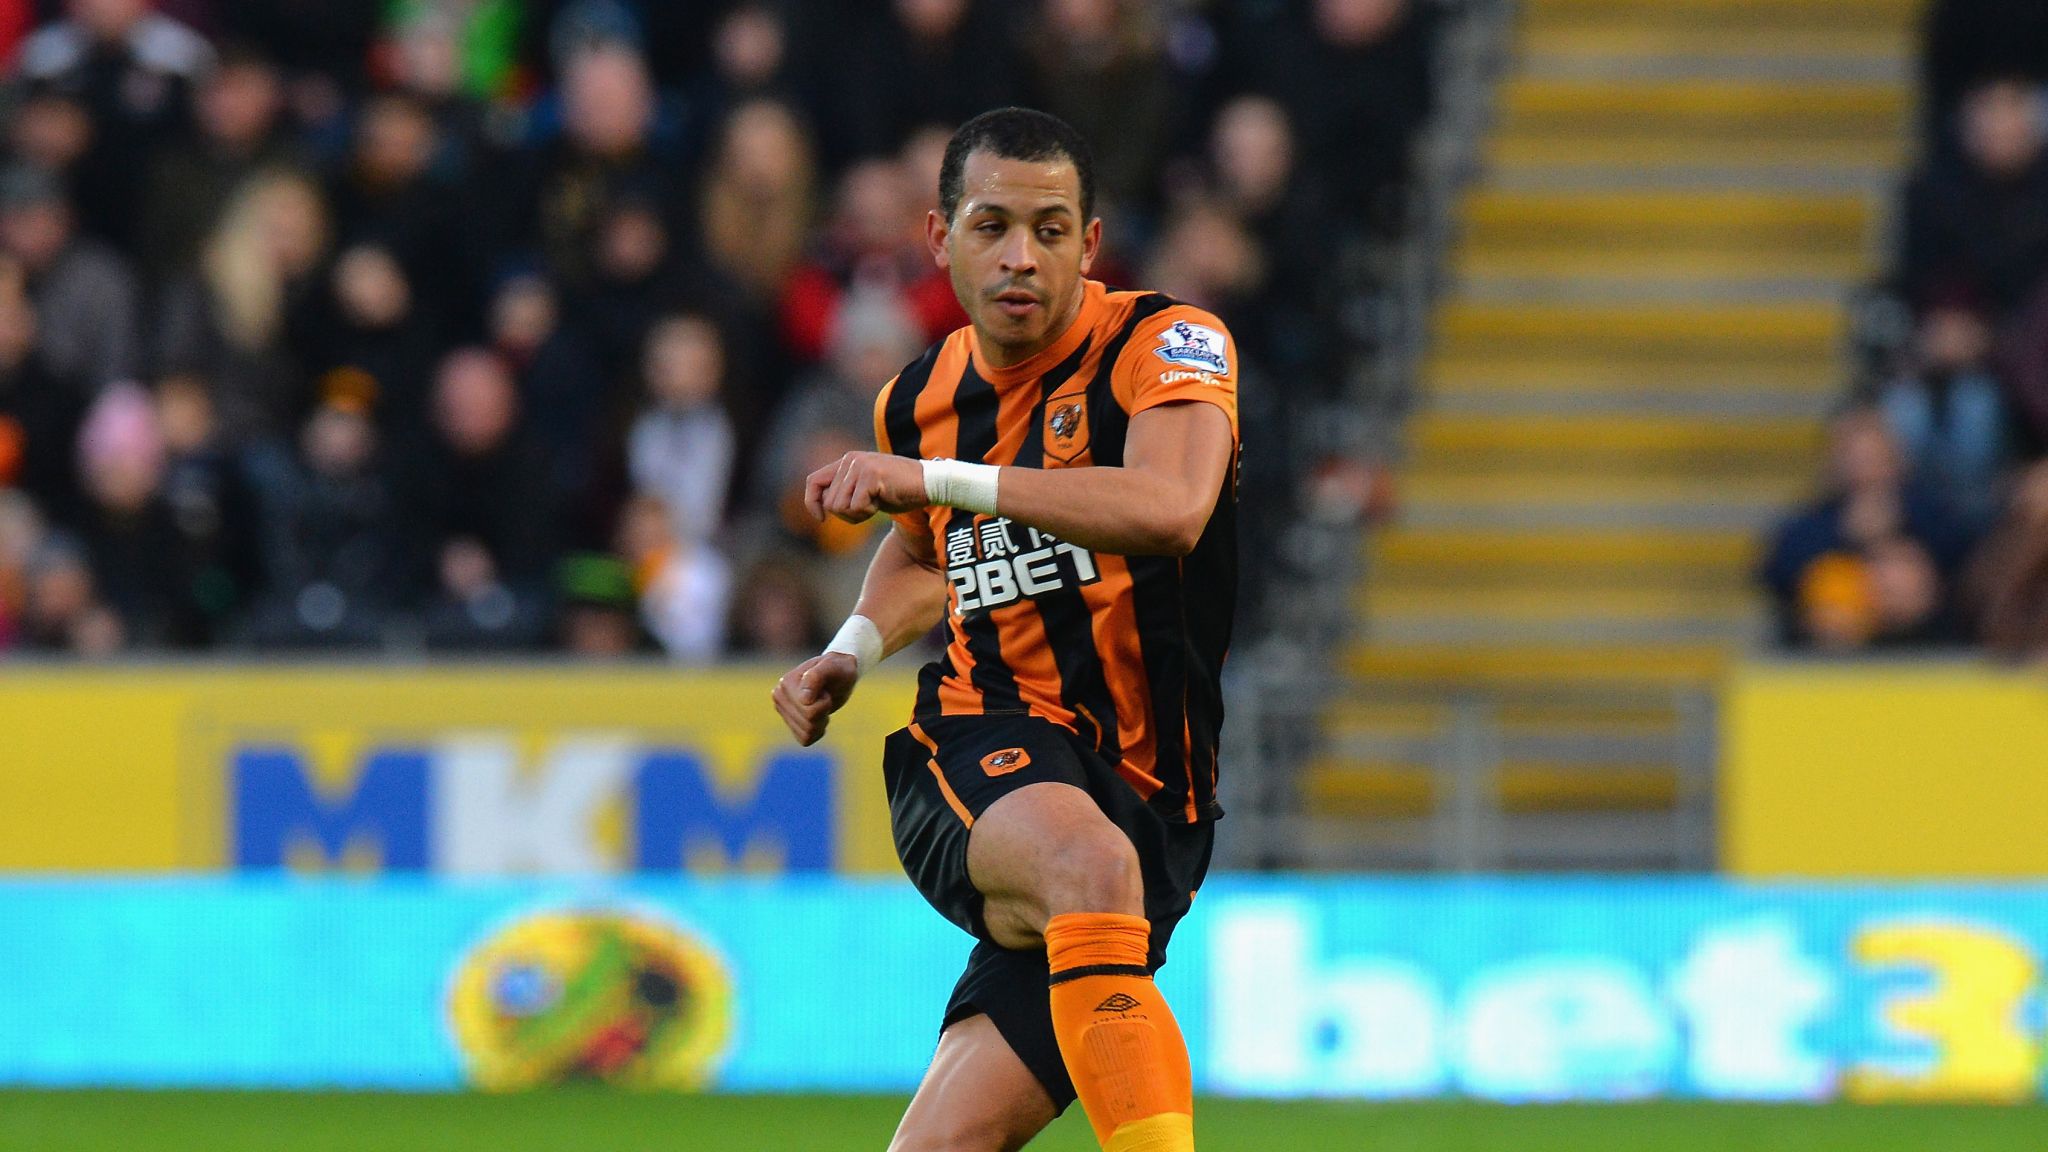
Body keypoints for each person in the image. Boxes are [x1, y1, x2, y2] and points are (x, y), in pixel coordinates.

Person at [770, 108, 1238, 1152]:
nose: (1020, 257)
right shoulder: (918, 400)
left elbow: (1171, 510)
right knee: (1087, 868)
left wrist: (934, 480)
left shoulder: (1167, 346)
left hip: (1154, 791)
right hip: (981, 743)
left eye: (1049, 228)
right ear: (940, 240)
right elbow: (928, 552)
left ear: (1090, 241)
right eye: (990, 226)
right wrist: (851, 649)